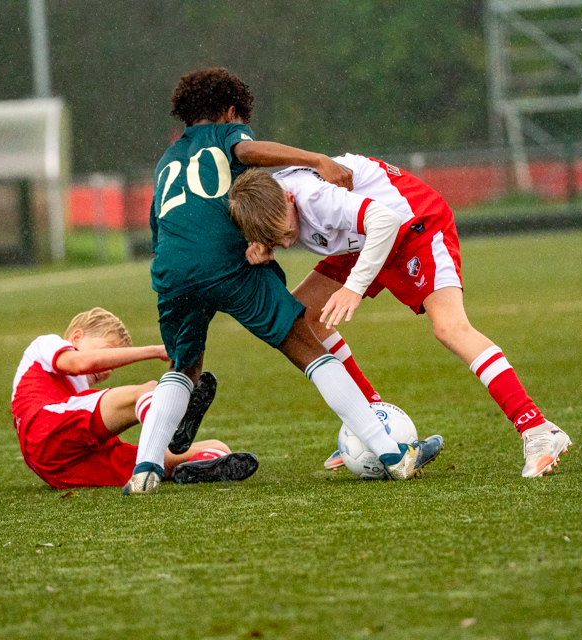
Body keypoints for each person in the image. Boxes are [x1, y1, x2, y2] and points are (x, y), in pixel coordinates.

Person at [124, 68, 443, 494]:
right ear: (230, 110)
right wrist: (314, 159)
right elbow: (250, 150)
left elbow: (160, 227)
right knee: (307, 347)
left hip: (170, 268)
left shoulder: (166, 161)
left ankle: (144, 468)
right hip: (225, 264)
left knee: (183, 366)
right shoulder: (225, 133)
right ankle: (393, 454)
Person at [227, 156, 573, 478]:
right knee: (301, 322)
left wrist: (355, 287)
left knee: (450, 328)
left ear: (289, 198)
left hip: (414, 226)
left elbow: (385, 220)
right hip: (362, 240)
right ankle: (374, 424)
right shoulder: (268, 204)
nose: (287, 243)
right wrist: (267, 242)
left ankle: (537, 428)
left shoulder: (316, 198)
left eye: (286, 234)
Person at [11, 307, 259, 489]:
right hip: (44, 430)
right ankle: (175, 422)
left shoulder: (79, 397)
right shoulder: (48, 345)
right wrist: (157, 351)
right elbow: (80, 363)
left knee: (216, 448)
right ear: (77, 337)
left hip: (65, 466)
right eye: (111, 353)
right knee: (148, 390)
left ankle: (199, 464)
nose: (108, 369)